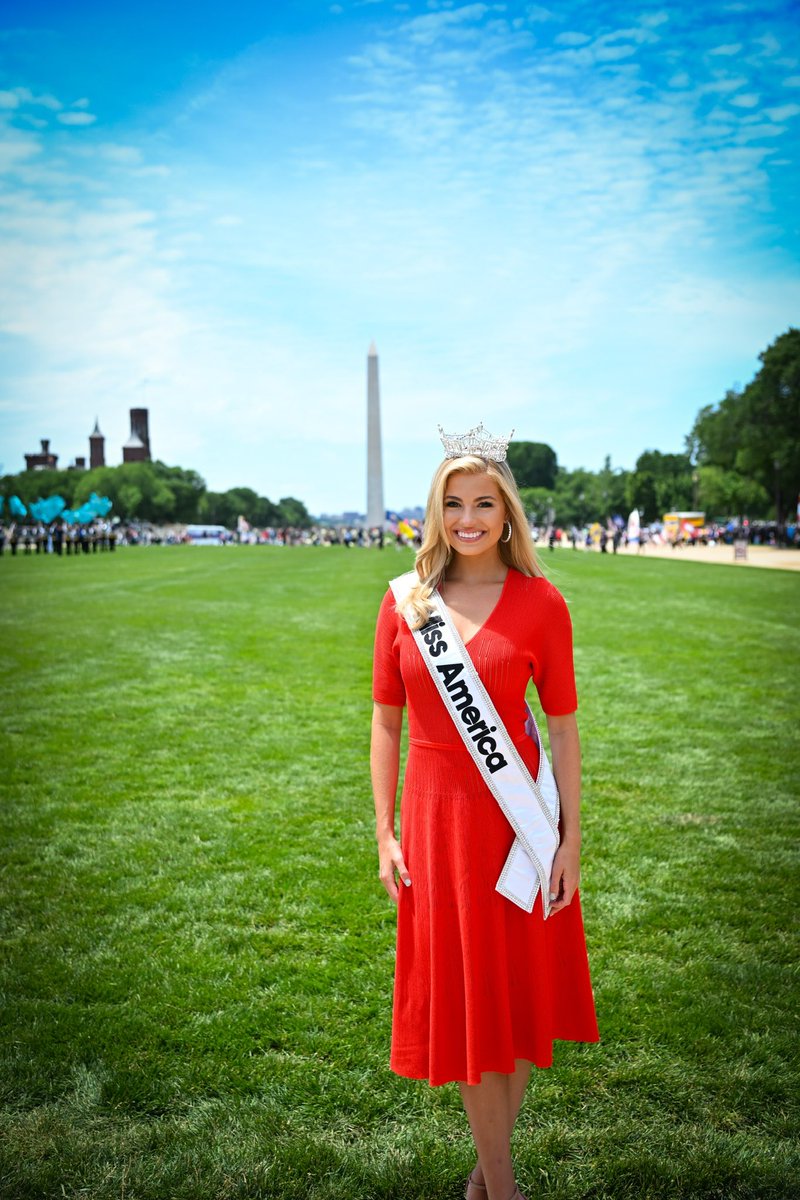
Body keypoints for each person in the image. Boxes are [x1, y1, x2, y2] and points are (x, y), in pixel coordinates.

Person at [371, 426, 599, 1200]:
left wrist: (570, 837)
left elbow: (562, 726)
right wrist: (384, 830)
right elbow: (385, 723)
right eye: (453, 504)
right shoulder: (407, 603)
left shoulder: (543, 603)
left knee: (521, 994)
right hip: (438, 821)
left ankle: (485, 1178)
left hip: (519, 825)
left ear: (508, 514)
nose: (468, 518)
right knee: (470, 1005)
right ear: (435, 512)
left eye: (484, 504)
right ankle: (501, 1187)